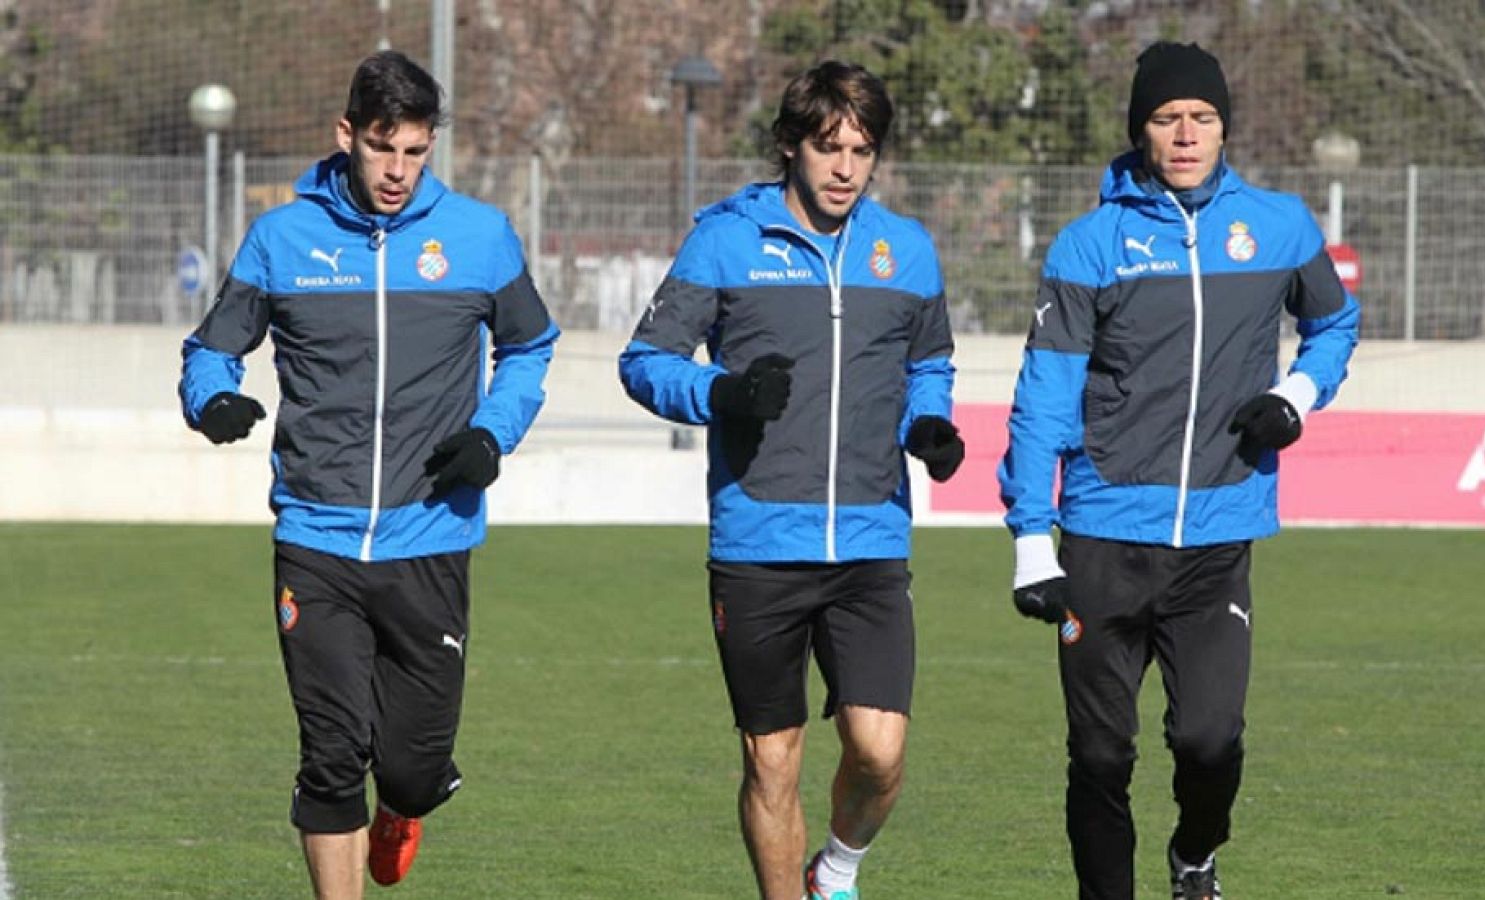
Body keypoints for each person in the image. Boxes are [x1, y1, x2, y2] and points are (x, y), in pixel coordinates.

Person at [178, 50, 559, 899]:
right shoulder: (282, 238)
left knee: (414, 771)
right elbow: (212, 348)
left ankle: (406, 807)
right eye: (383, 147)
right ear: (346, 134)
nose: (397, 171)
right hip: (315, 537)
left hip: (432, 537)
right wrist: (211, 401)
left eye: (416, 151)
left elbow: (530, 346)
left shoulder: (479, 236)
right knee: (329, 755)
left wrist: (492, 435)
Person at [998, 42, 1359, 900]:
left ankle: (1194, 853)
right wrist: (1028, 536)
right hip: (1100, 536)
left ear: (1224, 127)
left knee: (1208, 742)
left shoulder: (1280, 227)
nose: (1186, 133)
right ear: (1141, 131)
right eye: (1167, 118)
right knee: (1098, 755)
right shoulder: (1090, 245)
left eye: (1202, 117)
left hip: (1219, 539)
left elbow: (1335, 326)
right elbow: (1044, 393)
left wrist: (1297, 395)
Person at [618, 60, 963, 900]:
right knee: (772, 758)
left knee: (879, 752)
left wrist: (930, 422)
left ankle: (835, 869)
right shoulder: (726, 241)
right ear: (790, 146)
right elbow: (644, 361)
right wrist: (721, 392)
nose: (845, 166)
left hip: (871, 537)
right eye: (828, 147)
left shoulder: (906, 250)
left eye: (862, 148)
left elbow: (932, 362)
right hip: (758, 542)